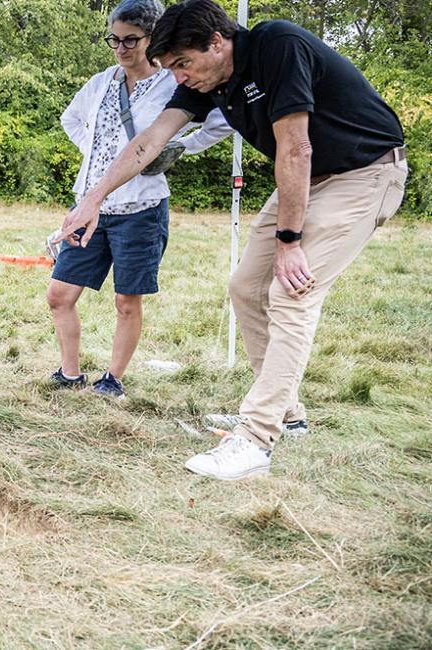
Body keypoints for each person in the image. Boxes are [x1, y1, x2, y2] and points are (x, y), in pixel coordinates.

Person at [60, 0, 407, 480]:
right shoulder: (207, 81)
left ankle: (255, 439)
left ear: (218, 43)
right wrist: (93, 198)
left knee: (292, 291)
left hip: (363, 174)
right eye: (171, 68)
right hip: (309, 178)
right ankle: (288, 413)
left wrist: (289, 240)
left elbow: (296, 146)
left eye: (183, 64)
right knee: (246, 286)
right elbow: (148, 142)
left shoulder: (277, 47)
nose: (178, 78)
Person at [50, 0, 231, 399]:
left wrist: (181, 147)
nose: (120, 48)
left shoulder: (174, 83)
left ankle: (112, 379)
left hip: (141, 207)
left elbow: (223, 119)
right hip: (91, 203)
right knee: (59, 294)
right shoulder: (100, 82)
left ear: (152, 38)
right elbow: (71, 119)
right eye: (114, 39)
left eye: (130, 39)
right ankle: (69, 372)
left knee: (126, 300)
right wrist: (96, 154)